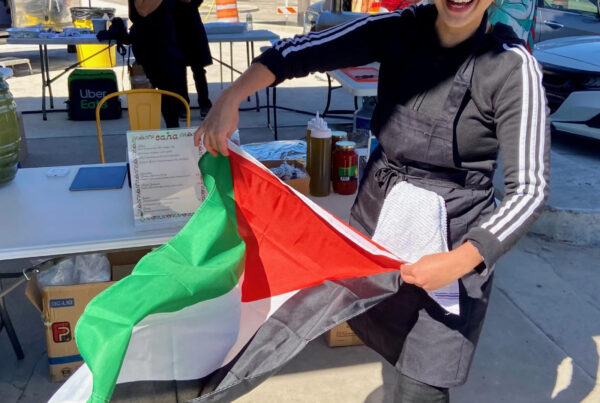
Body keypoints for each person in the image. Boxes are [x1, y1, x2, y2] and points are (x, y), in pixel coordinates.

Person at [194, 0, 550, 400]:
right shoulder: (399, 28)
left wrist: (461, 260)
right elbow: (298, 52)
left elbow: (530, 189)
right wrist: (231, 97)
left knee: (422, 380)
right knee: (351, 334)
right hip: (378, 226)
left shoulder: (512, 67)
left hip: (453, 246)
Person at [128, 0, 188, 127]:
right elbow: (142, 10)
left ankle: (172, 130)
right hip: (149, 42)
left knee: (173, 87)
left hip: (169, 40)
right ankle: (162, 132)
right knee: (160, 87)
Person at [173, 0, 213, 119]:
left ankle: (204, 103)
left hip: (192, 25)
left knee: (198, 69)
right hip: (174, 26)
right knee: (179, 71)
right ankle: (182, 105)